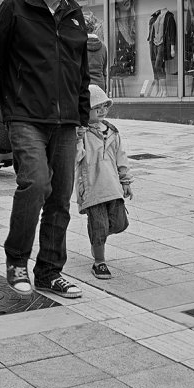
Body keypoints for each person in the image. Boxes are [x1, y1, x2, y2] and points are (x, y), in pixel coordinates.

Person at [0, 0, 90, 299]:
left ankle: (50, 271)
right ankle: (16, 260)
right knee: (37, 184)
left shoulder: (74, 13)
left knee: (60, 197)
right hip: (25, 115)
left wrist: (83, 116)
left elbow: (81, 70)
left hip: (66, 120)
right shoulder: (16, 8)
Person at [76, 85, 133, 279]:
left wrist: (125, 181)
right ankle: (99, 261)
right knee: (99, 226)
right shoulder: (81, 132)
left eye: (104, 106)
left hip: (113, 187)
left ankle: (97, 240)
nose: (101, 111)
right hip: (92, 187)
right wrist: (77, 139)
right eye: (96, 107)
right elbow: (74, 158)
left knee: (119, 223)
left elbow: (121, 157)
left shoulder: (113, 132)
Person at [113, 0, 136, 76]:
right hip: (121, 84)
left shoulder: (136, 23)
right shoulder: (113, 28)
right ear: (116, 3)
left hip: (138, 81)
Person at [84, 11, 108, 91]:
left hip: (85, 88)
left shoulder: (79, 46)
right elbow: (104, 72)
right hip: (100, 87)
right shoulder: (103, 47)